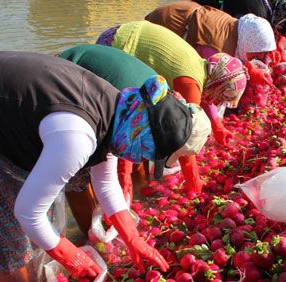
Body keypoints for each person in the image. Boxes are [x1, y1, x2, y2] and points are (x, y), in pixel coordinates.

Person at [0, 51, 199, 282]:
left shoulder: (124, 113)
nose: (140, 161)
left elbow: (106, 184)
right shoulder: (78, 137)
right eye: (148, 154)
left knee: (24, 216)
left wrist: (134, 240)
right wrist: (68, 254)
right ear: (143, 135)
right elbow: (28, 212)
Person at [58, 43, 211, 232]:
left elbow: (130, 149)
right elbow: (118, 154)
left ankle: (103, 216)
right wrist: (124, 186)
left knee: (119, 156)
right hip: (69, 72)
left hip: (100, 76)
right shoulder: (133, 115)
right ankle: (89, 232)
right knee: (78, 175)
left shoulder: (165, 105)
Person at [97, 20, 249, 195]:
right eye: (221, 96)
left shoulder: (203, 70)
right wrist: (194, 184)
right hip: (120, 44)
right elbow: (183, 137)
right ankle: (125, 184)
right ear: (217, 84)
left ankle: (138, 180)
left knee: (143, 120)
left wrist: (217, 127)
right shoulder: (190, 83)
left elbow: (204, 101)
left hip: (124, 31)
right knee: (126, 122)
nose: (217, 102)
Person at [145, 1, 276, 63]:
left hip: (178, 10)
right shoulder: (220, 49)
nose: (259, 57)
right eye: (259, 51)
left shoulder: (235, 26)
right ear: (249, 42)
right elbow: (206, 81)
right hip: (165, 23)